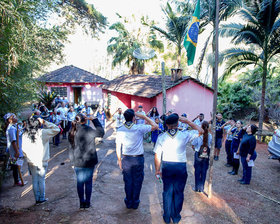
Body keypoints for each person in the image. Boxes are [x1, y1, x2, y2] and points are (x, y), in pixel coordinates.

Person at [154, 113, 203, 224]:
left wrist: (157, 170)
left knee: (167, 192)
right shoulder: (184, 134)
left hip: (167, 166)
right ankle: (175, 217)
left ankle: (167, 217)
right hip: (180, 166)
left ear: (166, 124)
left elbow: (157, 155)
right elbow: (201, 131)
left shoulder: (162, 137)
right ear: (178, 123)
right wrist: (188, 121)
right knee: (178, 192)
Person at [115, 109, 158, 209]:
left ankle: (128, 202)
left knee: (128, 181)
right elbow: (155, 126)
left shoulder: (120, 129)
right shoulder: (139, 127)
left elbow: (118, 147)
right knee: (137, 181)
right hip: (138, 159)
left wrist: (119, 160)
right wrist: (144, 117)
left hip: (126, 158)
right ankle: (135, 202)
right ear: (134, 118)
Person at [68, 114, 104, 209]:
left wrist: (72, 161)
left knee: (80, 182)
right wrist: (94, 120)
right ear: (85, 120)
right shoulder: (88, 129)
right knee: (88, 182)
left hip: (77, 161)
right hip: (89, 160)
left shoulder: (72, 131)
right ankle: (87, 203)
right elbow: (101, 132)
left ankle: (81, 203)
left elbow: (71, 147)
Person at [22, 116, 60, 204]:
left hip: (32, 161)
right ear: (38, 123)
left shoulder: (25, 134)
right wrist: (45, 122)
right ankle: (42, 198)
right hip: (42, 161)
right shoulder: (42, 132)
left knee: (34, 180)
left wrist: (28, 157)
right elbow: (57, 129)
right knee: (41, 180)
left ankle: (37, 199)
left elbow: (23, 149)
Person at [4, 113, 26, 186]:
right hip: (14, 150)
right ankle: (17, 181)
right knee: (15, 166)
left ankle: (18, 180)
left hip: (18, 149)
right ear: (10, 120)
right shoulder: (11, 129)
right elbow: (13, 141)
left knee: (17, 165)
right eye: (13, 117)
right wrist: (16, 151)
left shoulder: (15, 126)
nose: (16, 118)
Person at [192, 121, 212, 193]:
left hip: (198, 154)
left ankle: (197, 187)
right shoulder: (210, 135)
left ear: (201, 126)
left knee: (197, 171)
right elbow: (211, 144)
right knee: (204, 171)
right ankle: (201, 188)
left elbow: (193, 144)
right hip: (206, 154)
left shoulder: (198, 135)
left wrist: (195, 148)